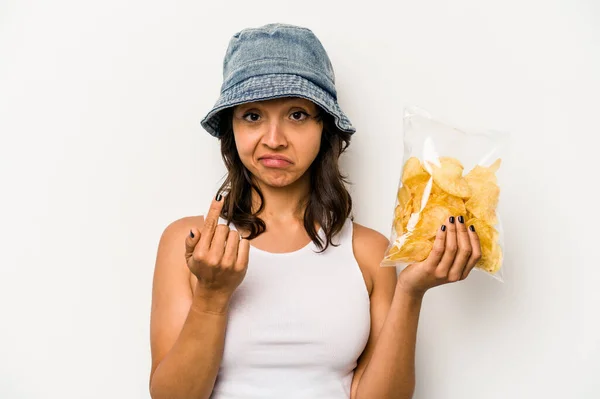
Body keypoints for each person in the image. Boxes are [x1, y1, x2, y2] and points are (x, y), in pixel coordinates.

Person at [149, 23, 482, 399]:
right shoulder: (191, 244)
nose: (273, 139)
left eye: (297, 115)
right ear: (232, 128)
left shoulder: (369, 251)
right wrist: (211, 295)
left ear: (325, 126)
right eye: (253, 115)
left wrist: (411, 291)